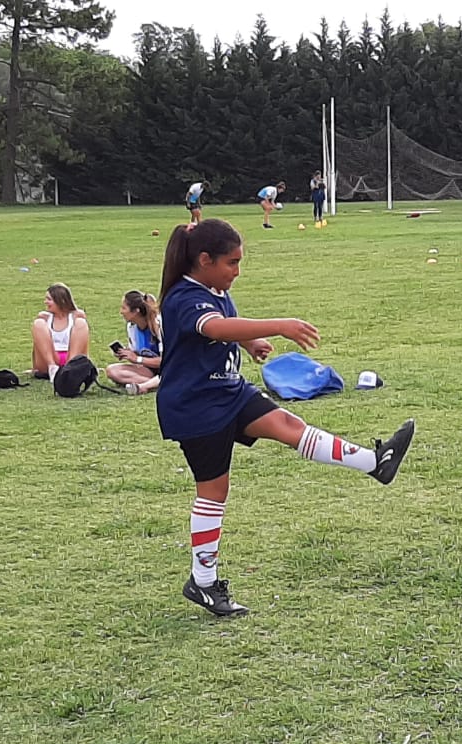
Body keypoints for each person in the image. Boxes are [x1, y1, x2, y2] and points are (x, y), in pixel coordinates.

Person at [155, 219, 416, 617]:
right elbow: (213, 327)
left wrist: (250, 342)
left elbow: (224, 327)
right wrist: (279, 325)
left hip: (228, 392)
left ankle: (375, 463)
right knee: (213, 492)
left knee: (289, 426)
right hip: (195, 407)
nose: (237, 271)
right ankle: (203, 582)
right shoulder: (183, 296)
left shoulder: (215, 290)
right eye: (231, 262)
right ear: (204, 260)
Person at [106, 290, 162, 395]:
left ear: (136, 311)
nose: (121, 312)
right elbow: (139, 354)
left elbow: (166, 361)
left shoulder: (158, 325)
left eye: (124, 308)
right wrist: (127, 353)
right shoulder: (132, 327)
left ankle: (148, 384)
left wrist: (137, 359)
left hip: (170, 368)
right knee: (111, 370)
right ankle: (155, 383)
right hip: (150, 369)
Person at [31, 282, 90, 380]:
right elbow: (36, 345)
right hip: (49, 358)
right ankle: (52, 368)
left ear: (60, 301)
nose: (45, 302)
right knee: (38, 323)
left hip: (72, 356)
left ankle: (69, 369)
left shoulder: (76, 315)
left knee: (81, 323)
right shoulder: (45, 317)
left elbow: (84, 344)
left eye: (49, 299)